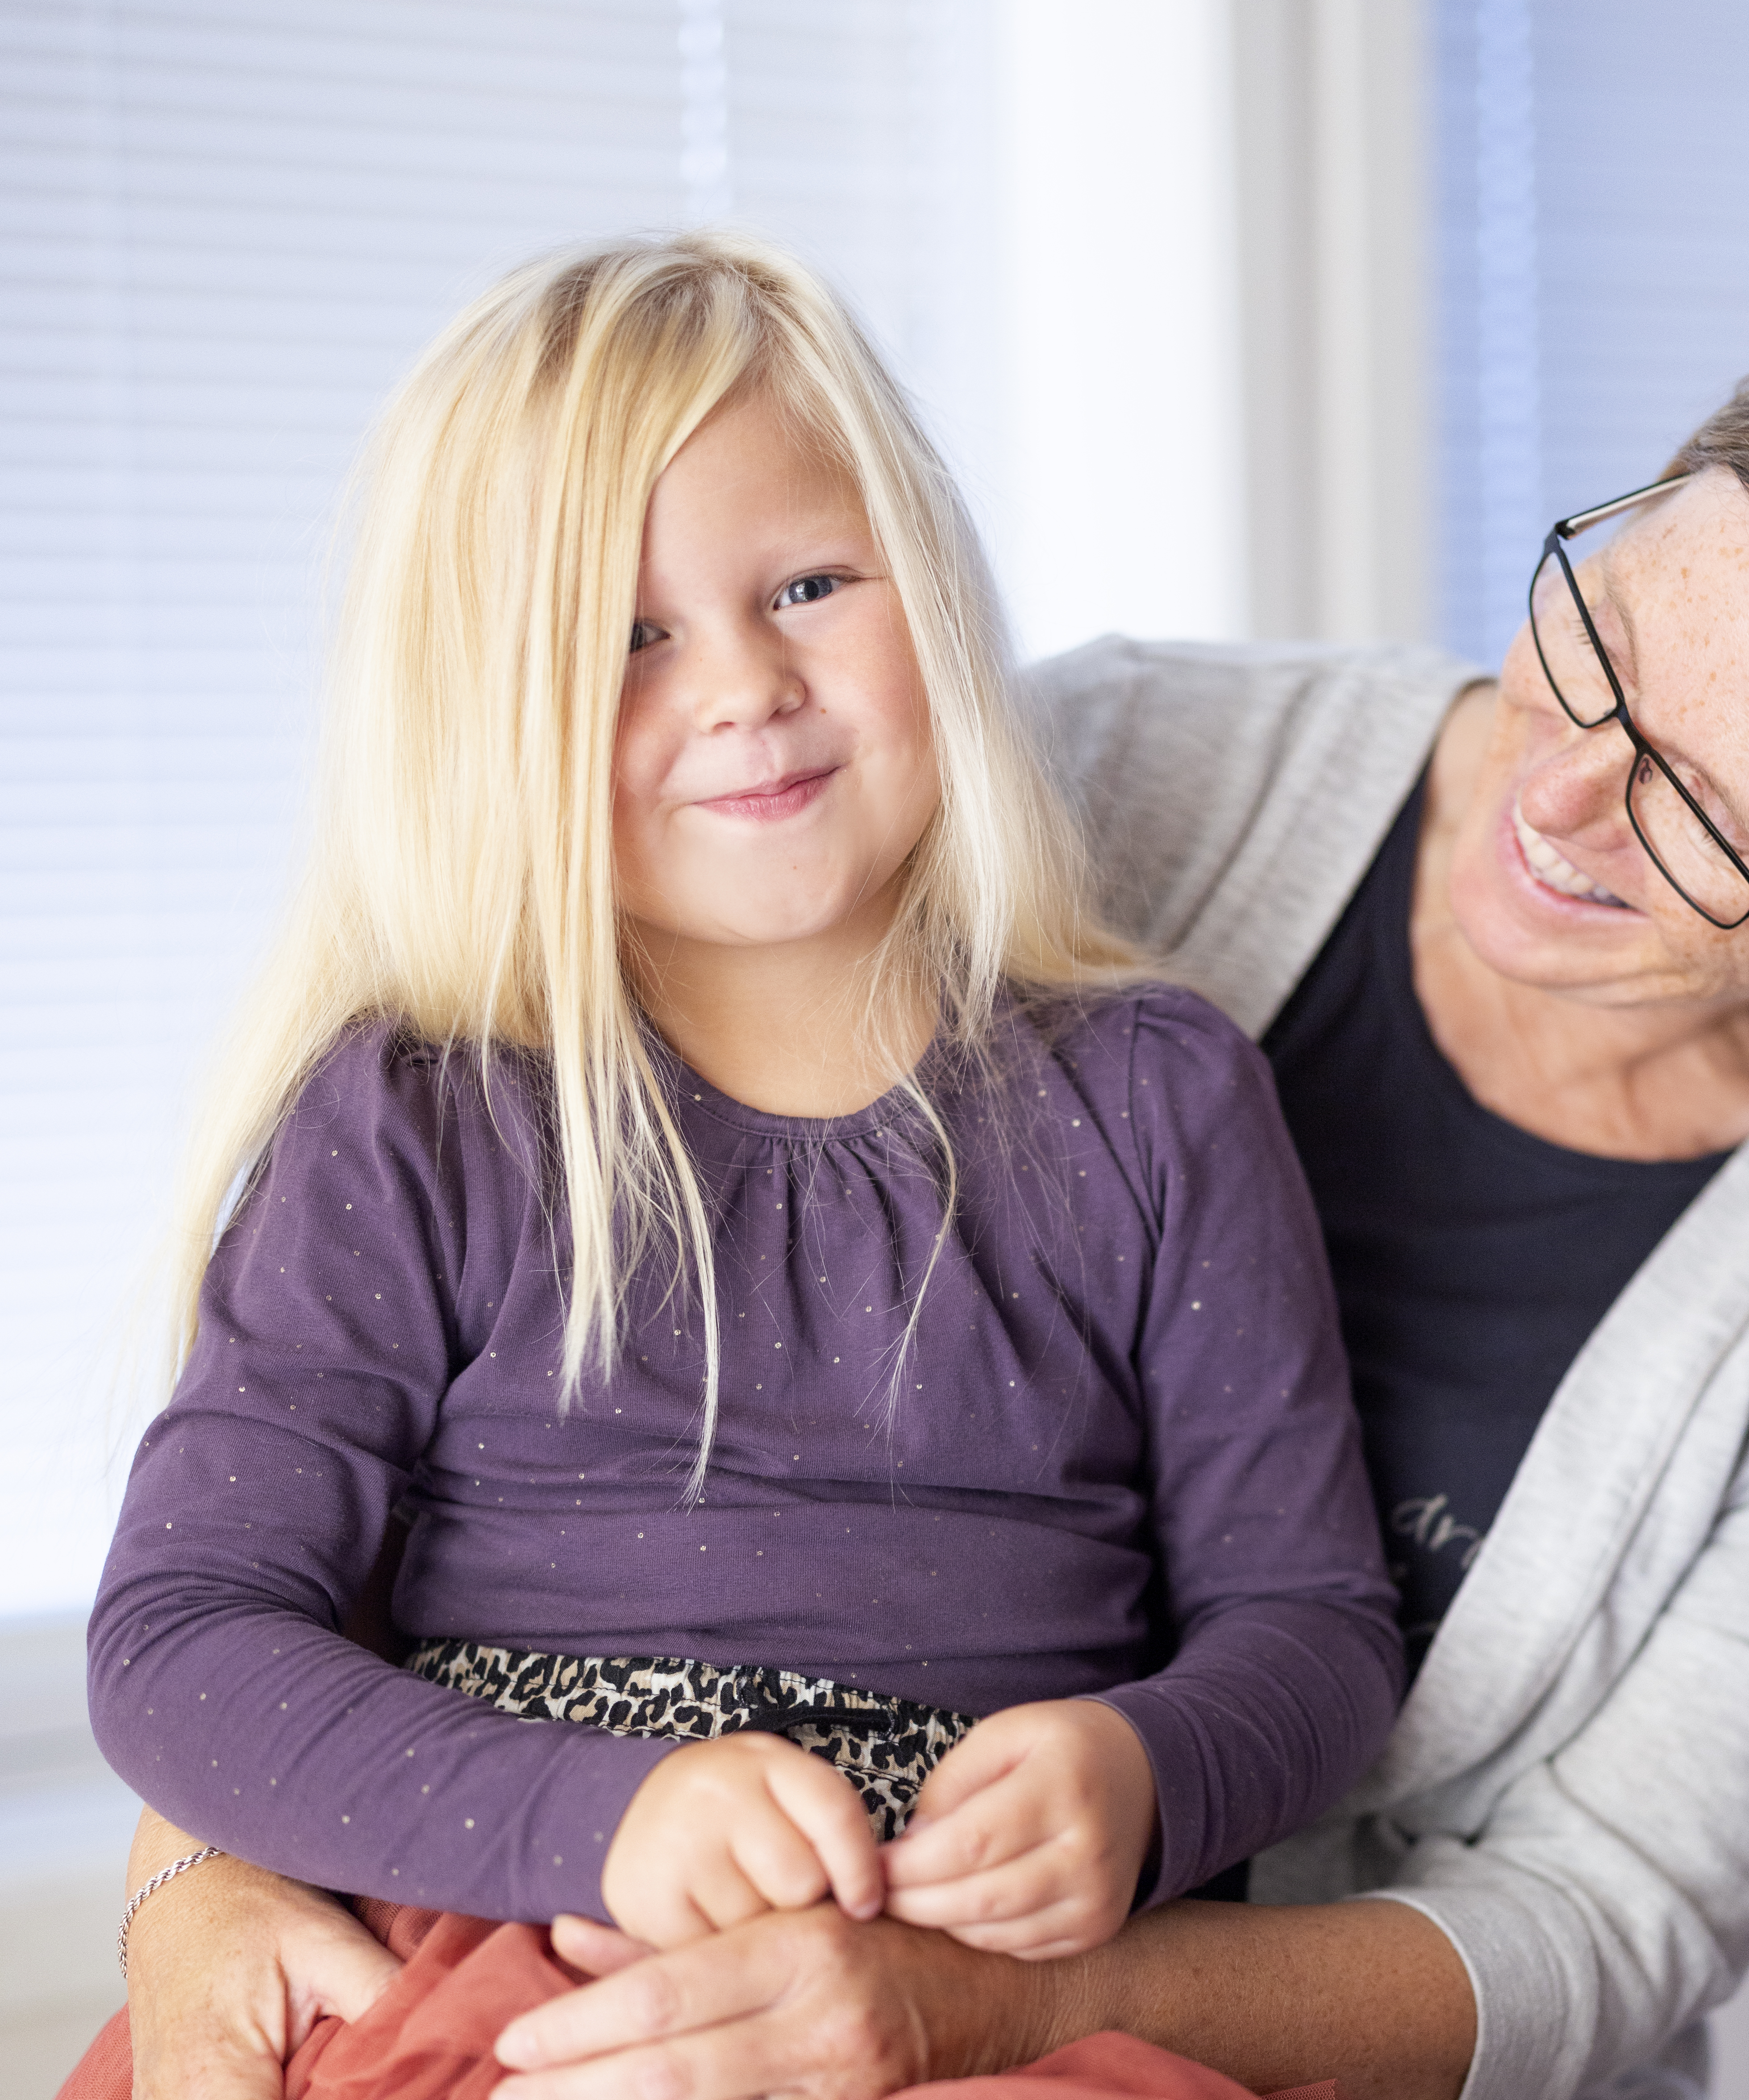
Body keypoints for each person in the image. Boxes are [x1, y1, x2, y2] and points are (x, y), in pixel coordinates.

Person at [110, 337, 1749, 2100]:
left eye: (1707, 813)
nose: (1552, 794)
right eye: (1598, 639)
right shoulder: (1076, 774)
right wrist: (204, 1865)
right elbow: (286, 1499)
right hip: (561, 1902)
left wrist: (1032, 1949)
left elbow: (1599, 1920)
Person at [75, 233, 1402, 2097]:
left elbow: (1314, 1630)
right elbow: (183, 1640)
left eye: (805, 583)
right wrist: (598, 1818)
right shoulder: (420, 1112)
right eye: (628, 637)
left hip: (985, 1982)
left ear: (927, 587)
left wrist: (1151, 1770)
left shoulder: (1160, 1091)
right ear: (482, 711)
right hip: (524, 1938)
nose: (744, 686)